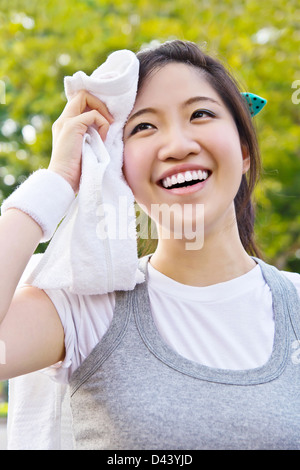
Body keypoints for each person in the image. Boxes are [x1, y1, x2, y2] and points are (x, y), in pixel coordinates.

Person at [0, 40, 300, 450]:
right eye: (143, 126)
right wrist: (57, 181)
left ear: (244, 149)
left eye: (201, 114)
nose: (178, 146)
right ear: (117, 164)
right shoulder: (86, 310)